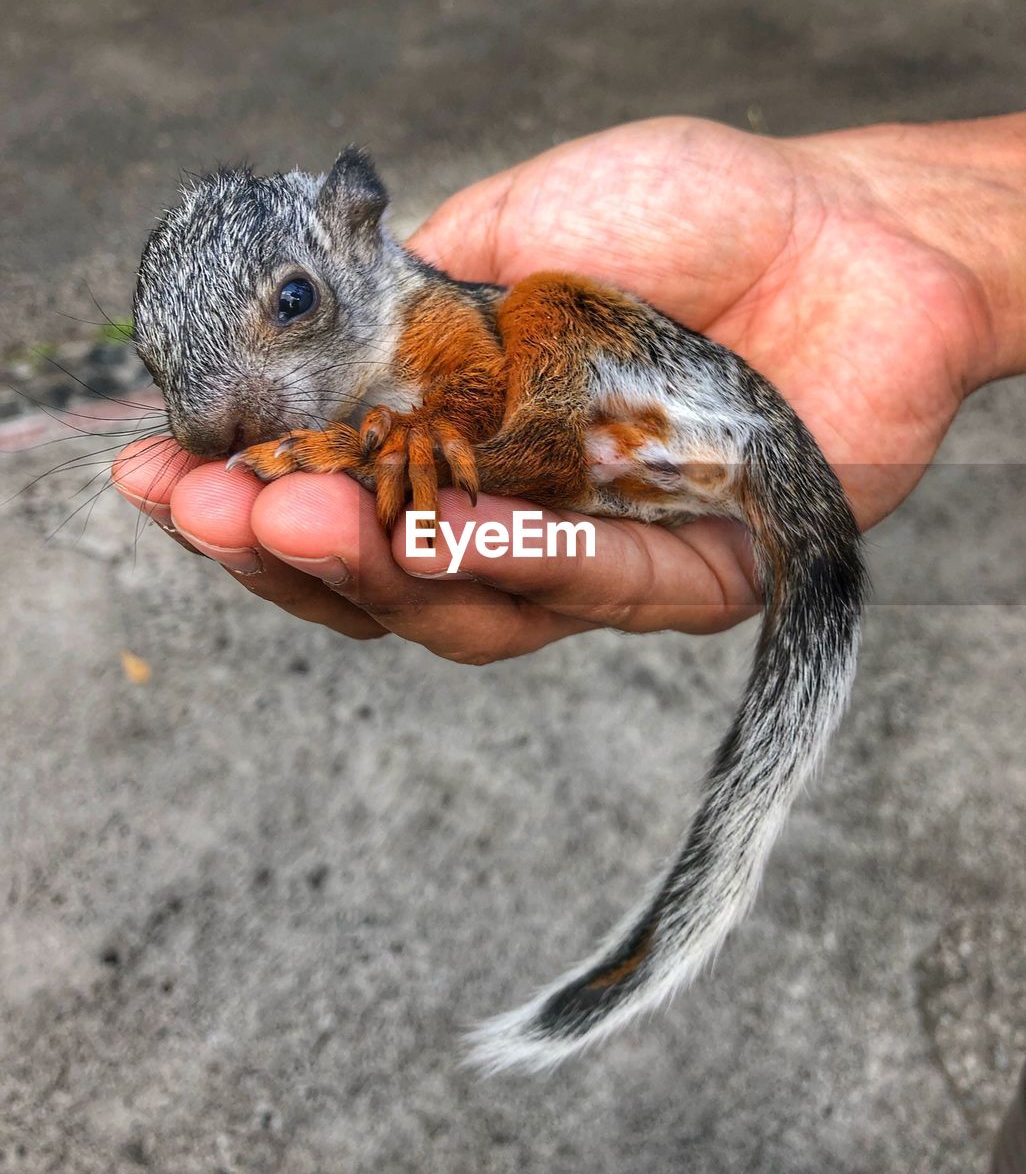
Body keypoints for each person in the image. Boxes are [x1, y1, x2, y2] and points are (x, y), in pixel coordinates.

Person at [112, 114, 1026, 1168]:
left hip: (693, 411)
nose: (216, 415)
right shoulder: (348, 409)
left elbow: (466, 385)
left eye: (290, 306)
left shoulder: (426, 324)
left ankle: (527, 461)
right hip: (643, 461)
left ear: (354, 236)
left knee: (544, 307)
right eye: (174, 368)